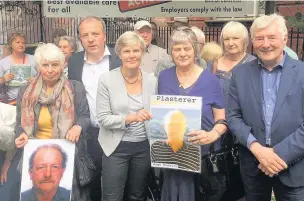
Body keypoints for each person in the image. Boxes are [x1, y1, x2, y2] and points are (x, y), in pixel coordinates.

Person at [227, 13, 304, 201]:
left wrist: (276, 155)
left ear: (285, 39)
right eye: (260, 38)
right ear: (253, 41)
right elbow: (233, 117)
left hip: (293, 167)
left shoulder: (301, 72)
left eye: (272, 37)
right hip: (253, 166)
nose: (266, 43)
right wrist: (258, 150)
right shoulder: (240, 73)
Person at [14, 43, 91, 201]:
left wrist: (78, 127)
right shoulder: (25, 91)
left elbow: (85, 116)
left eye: (55, 65)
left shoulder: (75, 88)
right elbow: (18, 124)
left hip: (67, 158)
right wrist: (20, 134)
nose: (50, 70)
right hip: (37, 159)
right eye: (45, 65)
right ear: (38, 66)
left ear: (63, 65)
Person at [158, 28, 227, 201]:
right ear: (171, 52)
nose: (182, 53)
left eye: (187, 48)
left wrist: (212, 134)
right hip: (172, 157)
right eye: (177, 49)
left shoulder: (211, 80)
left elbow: (222, 119)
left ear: (195, 50)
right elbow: (160, 115)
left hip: (202, 158)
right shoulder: (164, 77)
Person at [96, 31, 157, 201]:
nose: (132, 55)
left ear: (142, 53)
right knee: (112, 197)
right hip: (116, 147)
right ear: (120, 54)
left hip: (143, 147)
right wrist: (132, 117)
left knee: (137, 196)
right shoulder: (106, 79)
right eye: (127, 51)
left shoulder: (152, 81)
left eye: (136, 50)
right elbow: (103, 118)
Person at [68, 16, 122, 201]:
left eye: (95, 34)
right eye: (85, 35)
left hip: (115, 133)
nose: (90, 39)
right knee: (89, 182)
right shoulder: (74, 62)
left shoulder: (119, 59)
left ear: (104, 36)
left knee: (114, 184)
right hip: (87, 133)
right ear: (80, 39)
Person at [205, 21, 256, 201]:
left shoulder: (254, 64)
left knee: (241, 178)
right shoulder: (213, 64)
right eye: (226, 38)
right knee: (218, 175)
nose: (230, 42)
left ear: (245, 41)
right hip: (216, 127)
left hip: (243, 127)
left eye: (235, 38)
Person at [0, 32, 37, 105]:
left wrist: (36, 80)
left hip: (33, 100)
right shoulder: (3, 62)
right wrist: (4, 79)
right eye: (17, 42)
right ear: (10, 44)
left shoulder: (34, 60)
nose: (21, 44)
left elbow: (44, 78)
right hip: (13, 101)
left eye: (23, 43)